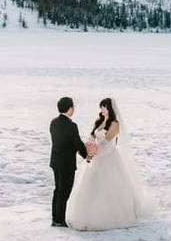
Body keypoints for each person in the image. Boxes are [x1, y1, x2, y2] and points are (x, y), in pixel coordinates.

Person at [65, 98, 153, 231]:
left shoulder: (115, 123)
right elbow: (92, 137)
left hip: (108, 157)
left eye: (105, 107)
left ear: (110, 109)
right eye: (101, 107)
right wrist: (89, 148)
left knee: (109, 186)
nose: (102, 109)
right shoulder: (99, 122)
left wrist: (94, 151)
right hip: (96, 157)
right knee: (90, 186)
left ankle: (110, 216)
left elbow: (107, 142)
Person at [49, 96, 88, 227]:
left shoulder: (53, 122)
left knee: (58, 189)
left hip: (55, 160)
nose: (74, 109)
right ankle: (60, 220)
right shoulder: (71, 126)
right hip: (66, 163)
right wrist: (87, 156)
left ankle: (55, 218)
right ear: (69, 108)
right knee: (64, 191)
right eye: (73, 107)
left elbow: (62, 141)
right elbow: (77, 143)